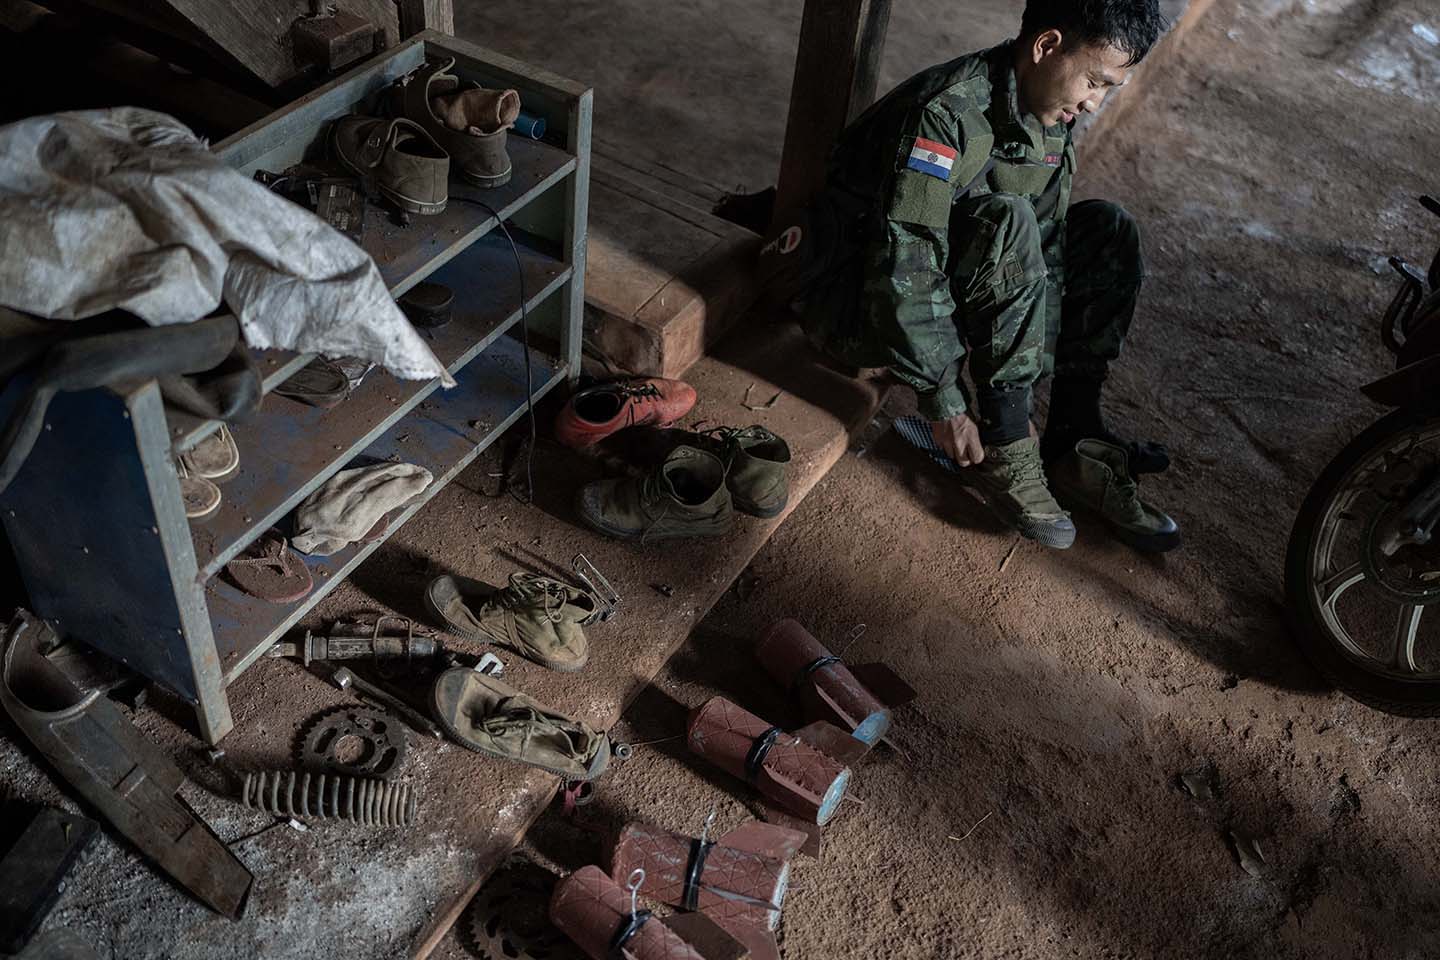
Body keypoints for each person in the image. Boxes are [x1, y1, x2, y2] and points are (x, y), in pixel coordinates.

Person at [781, 0, 1181, 553]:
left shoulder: (1048, 114)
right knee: (1006, 221)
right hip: (855, 300)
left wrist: (1026, 389)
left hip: (936, 287)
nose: (1094, 103)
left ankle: (1072, 438)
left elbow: (1047, 256)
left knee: (1107, 231)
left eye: (1107, 88)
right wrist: (945, 401)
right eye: (1094, 82)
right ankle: (1008, 452)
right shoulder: (945, 113)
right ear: (1046, 46)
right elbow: (904, 263)